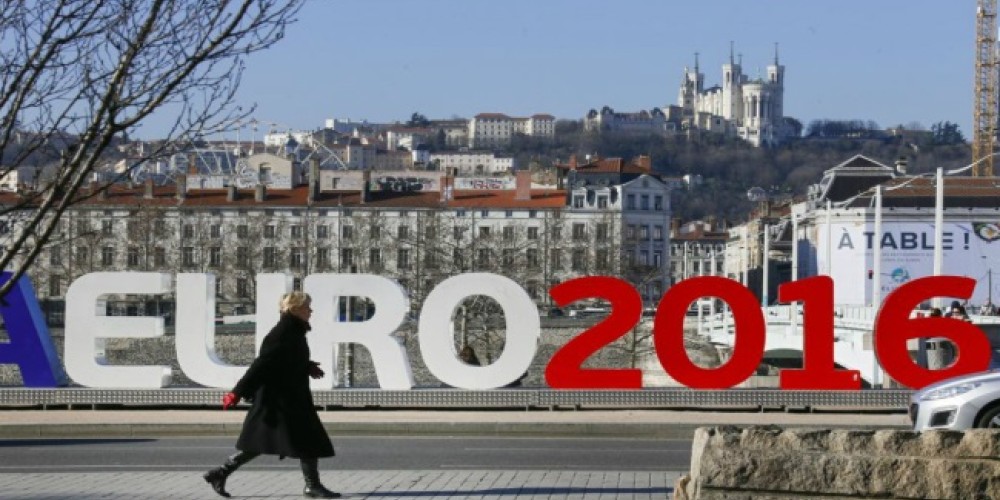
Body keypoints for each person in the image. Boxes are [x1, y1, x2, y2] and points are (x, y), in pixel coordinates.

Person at [203, 291, 340, 499]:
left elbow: (284, 360)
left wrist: (307, 366)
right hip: (279, 401)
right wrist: (237, 393)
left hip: (289, 398)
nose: (311, 311)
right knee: (299, 439)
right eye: (307, 307)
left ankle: (221, 473)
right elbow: (261, 365)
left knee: (276, 441)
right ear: (295, 309)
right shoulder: (282, 332)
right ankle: (312, 486)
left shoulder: (294, 331)